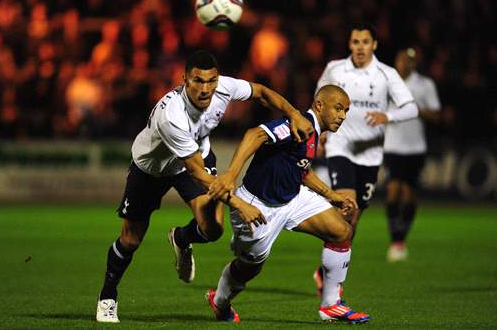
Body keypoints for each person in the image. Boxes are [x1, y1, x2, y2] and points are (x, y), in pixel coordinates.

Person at [95, 50, 314, 323]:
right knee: (130, 239)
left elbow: (260, 91)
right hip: (152, 168)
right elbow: (197, 173)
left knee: (213, 229)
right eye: (198, 81)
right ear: (184, 79)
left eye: (211, 81)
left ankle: (182, 239)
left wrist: (293, 113)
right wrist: (239, 204)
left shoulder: (223, 87)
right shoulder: (172, 115)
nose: (205, 88)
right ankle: (107, 296)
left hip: (196, 156)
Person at [206, 85, 370, 324]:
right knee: (249, 267)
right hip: (256, 206)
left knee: (342, 231)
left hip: (292, 198)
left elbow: (300, 168)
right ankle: (219, 300)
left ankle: (331, 305)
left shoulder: (313, 132)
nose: (342, 116)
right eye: (338, 108)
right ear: (319, 105)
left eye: (345, 111)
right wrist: (231, 174)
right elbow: (255, 134)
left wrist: (329, 194)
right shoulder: (299, 123)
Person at [312, 23, 418, 291]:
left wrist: (388, 116)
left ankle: (325, 270)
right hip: (341, 146)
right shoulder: (335, 69)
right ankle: (332, 281)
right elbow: (319, 101)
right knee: (348, 206)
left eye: (365, 42)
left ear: (374, 45)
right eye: (355, 42)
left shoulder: (386, 74)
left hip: (371, 155)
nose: (360, 47)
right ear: (349, 44)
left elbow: (412, 108)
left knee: (353, 220)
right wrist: (320, 133)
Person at [383, 48, 441, 262]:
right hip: (392, 146)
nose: (405, 63)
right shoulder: (387, 84)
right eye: (401, 59)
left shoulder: (425, 85)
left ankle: (400, 240)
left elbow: (436, 115)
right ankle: (394, 238)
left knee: (408, 194)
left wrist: (416, 110)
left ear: (414, 63)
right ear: (396, 61)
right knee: (392, 191)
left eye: (409, 60)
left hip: (415, 147)